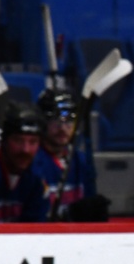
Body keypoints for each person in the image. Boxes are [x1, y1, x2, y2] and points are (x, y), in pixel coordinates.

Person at [33, 87, 110, 222]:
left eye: (69, 121)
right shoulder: (32, 161)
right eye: (55, 121)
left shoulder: (80, 160)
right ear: (42, 122)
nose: (63, 128)